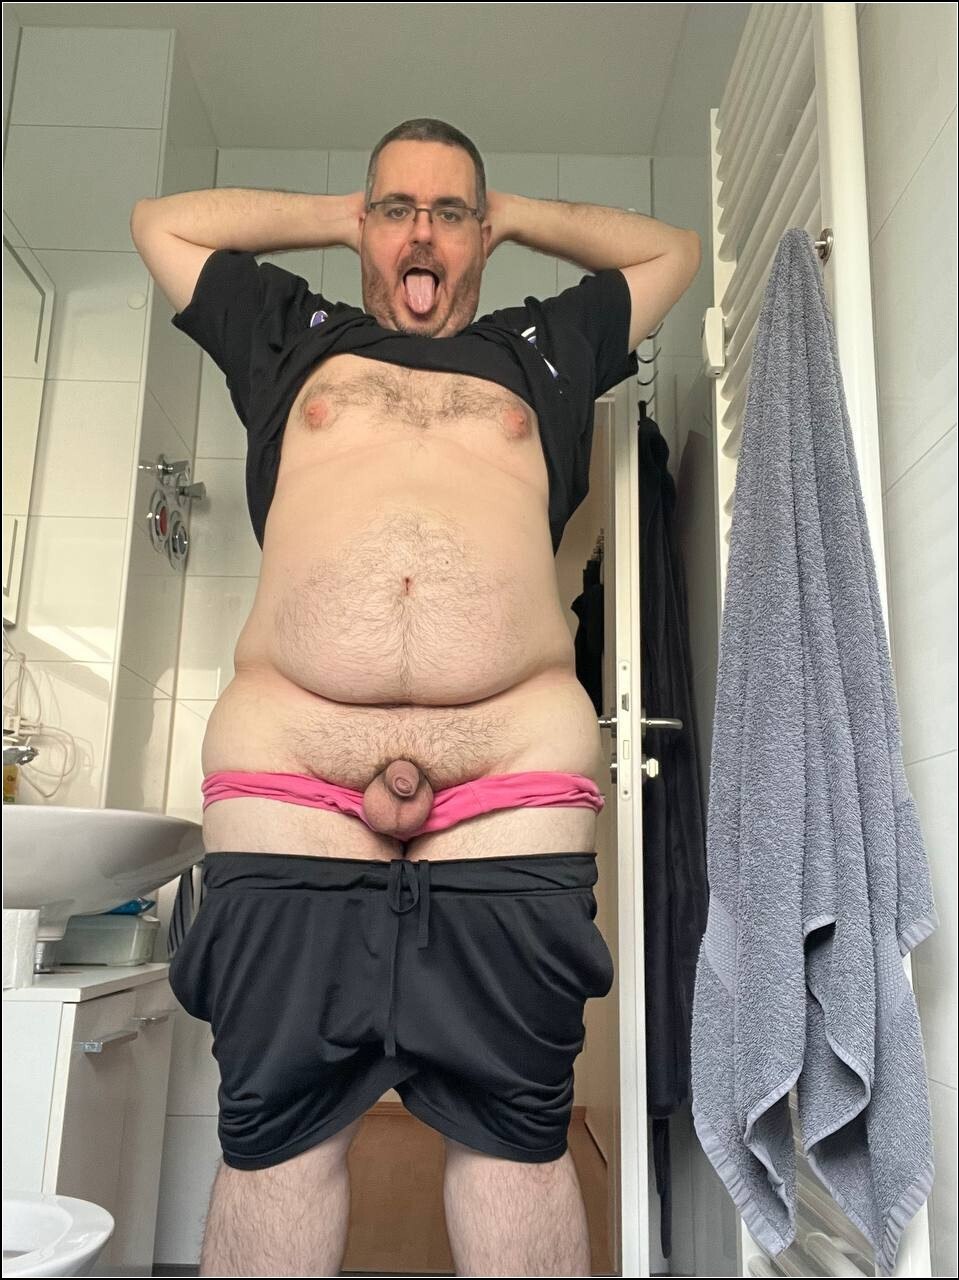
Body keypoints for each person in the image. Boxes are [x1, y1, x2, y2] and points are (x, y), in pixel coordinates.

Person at [131, 117, 700, 1277]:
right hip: (294, 765)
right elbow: (162, 225)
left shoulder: (539, 349)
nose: (421, 234)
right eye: (396, 209)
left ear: (482, 235)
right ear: (364, 227)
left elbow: (670, 254)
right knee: (278, 1136)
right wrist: (340, 217)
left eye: (448, 213)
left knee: (516, 1136)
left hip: (509, 773)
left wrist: (510, 216)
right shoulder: (293, 334)